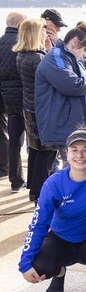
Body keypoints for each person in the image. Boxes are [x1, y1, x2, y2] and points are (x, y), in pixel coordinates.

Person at [18, 129, 86, 292]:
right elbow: (38, 224)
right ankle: (59, 272)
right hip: (60, 238)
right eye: (74, 149)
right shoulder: (54, 183)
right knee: (40, 266)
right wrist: (24, 264)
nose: (80, 155)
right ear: (65, 153)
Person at [34, 25, 86, 164]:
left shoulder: (73, 58)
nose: (84, 55)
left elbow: (85, 87)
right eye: (84, 50)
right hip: (67, 124)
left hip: (81, 121)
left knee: (84, 166)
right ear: (74, 42)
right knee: (74, 168)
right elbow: (72, 85)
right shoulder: (56, 57)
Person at [13, 18, 58, 203]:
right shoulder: (38, 58)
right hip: (42, 110)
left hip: (29, 107)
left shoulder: (22, 55)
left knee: (35, 149)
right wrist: (51, 51)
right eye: (42, 31)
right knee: (46, 151)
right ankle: (39, 192)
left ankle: (33, 187)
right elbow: (53, 79)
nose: (45, 34)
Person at [0, 12, 27, 192]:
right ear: (20, 25)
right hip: (20, 96)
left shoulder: (1, 41)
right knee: (23, 138)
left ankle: (9, 173)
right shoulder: (22, 43)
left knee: (6, 135)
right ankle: (25, 179)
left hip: (3, 94)